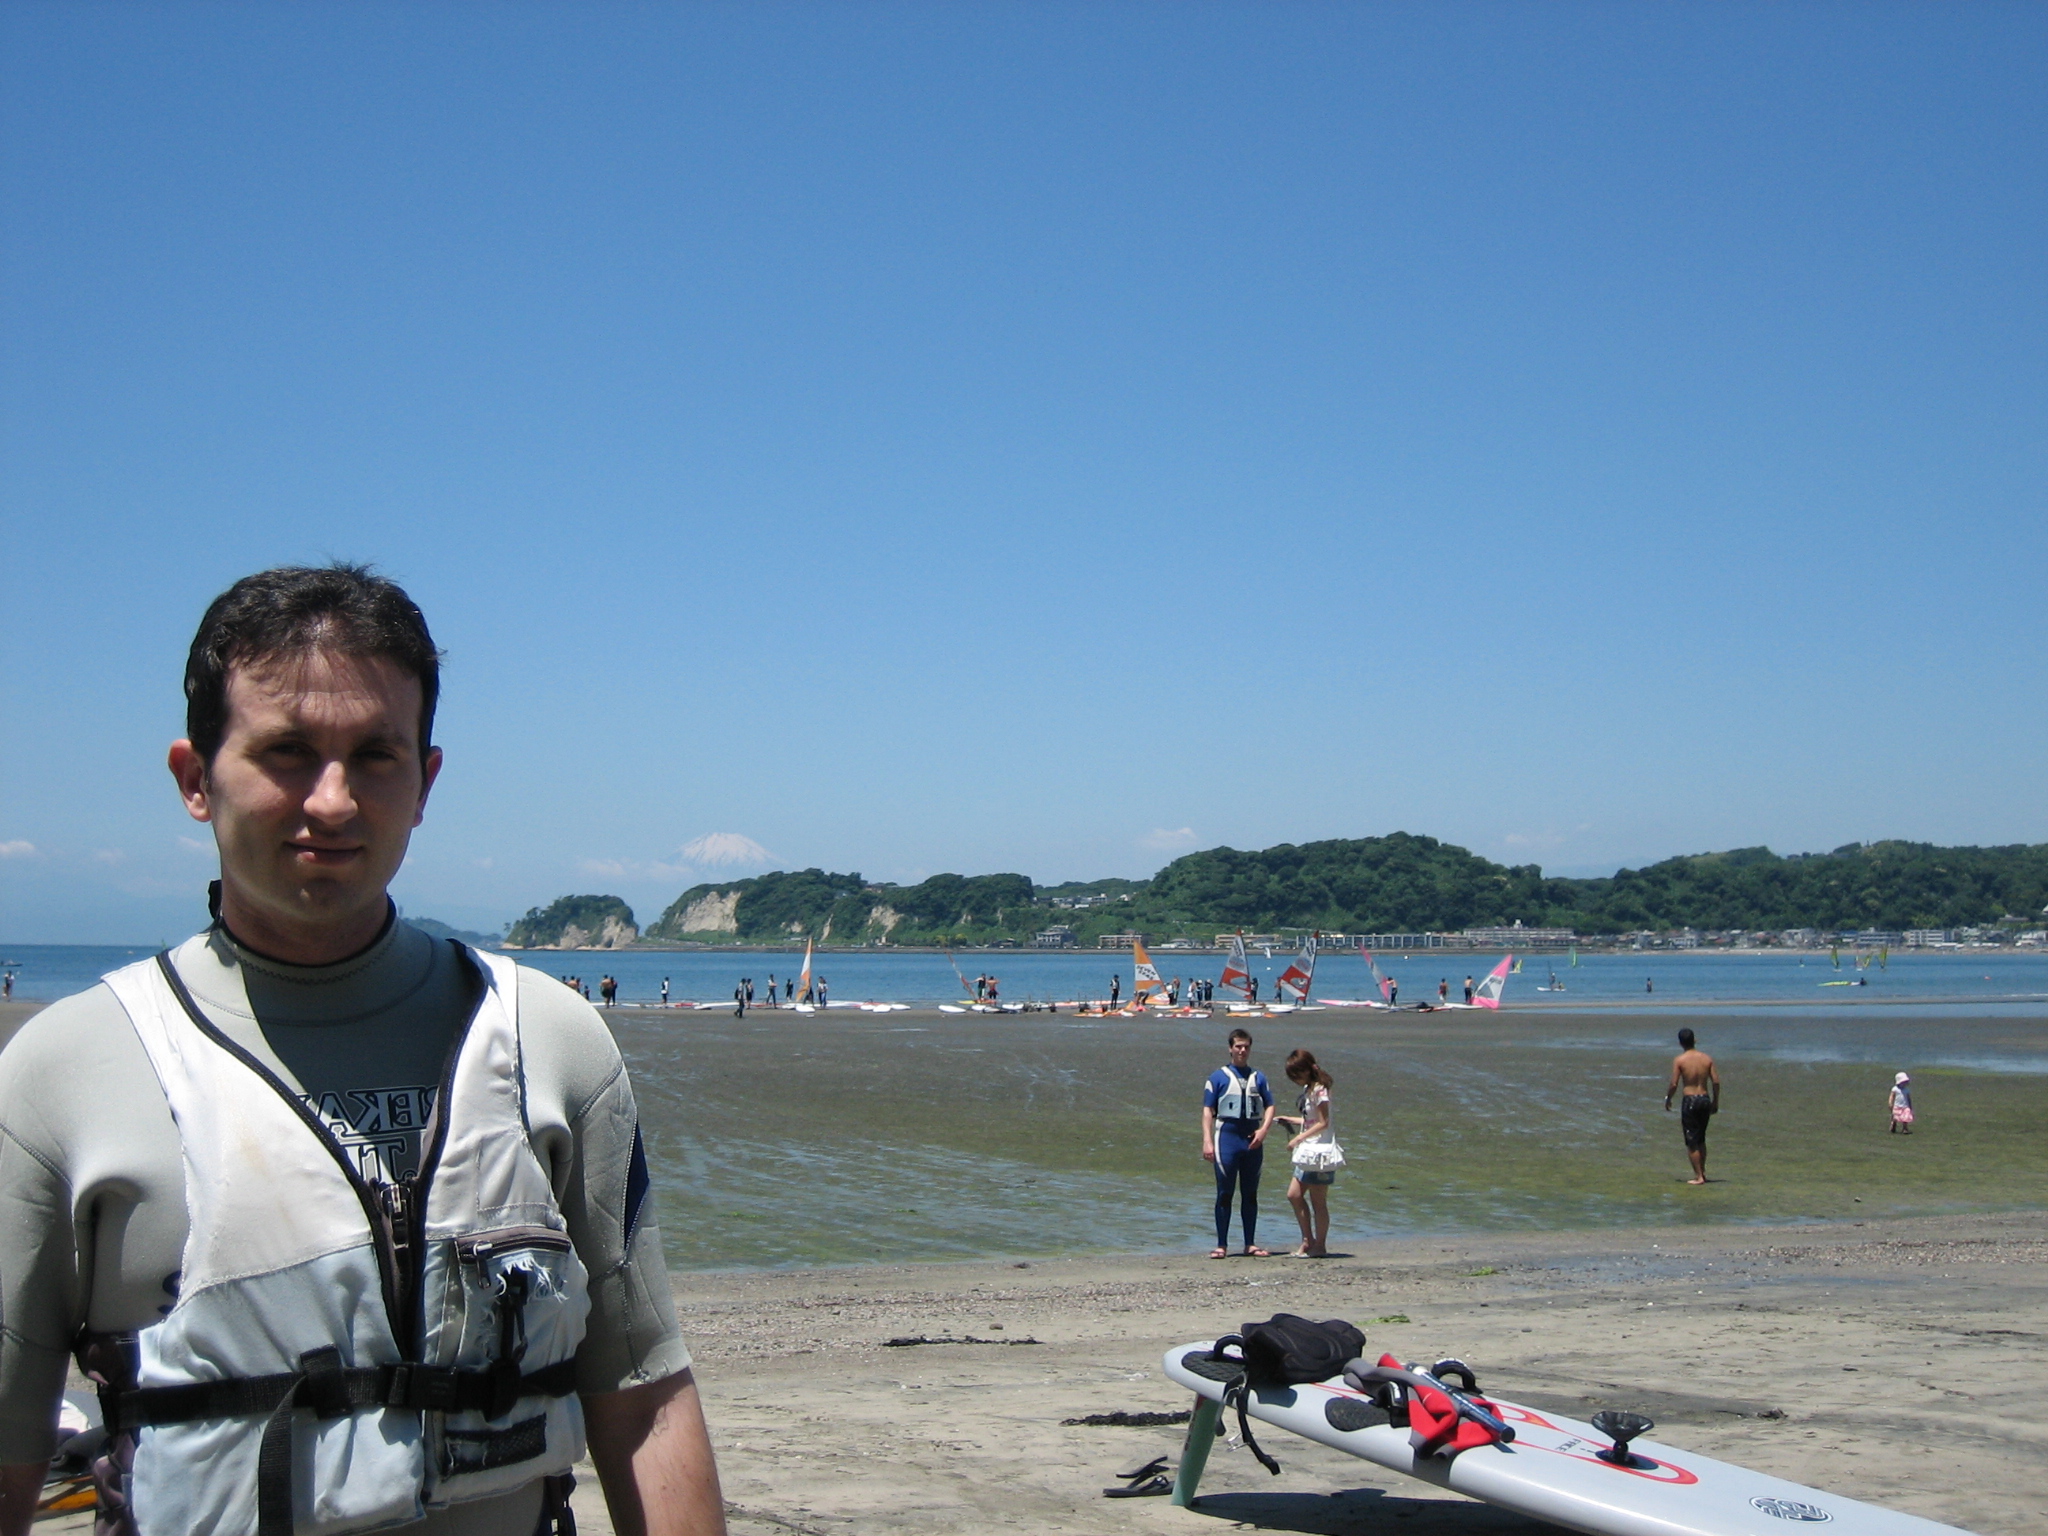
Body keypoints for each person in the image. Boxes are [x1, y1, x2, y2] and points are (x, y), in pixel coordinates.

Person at [0, 565, 725, 1536]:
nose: (333, 801)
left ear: (424, 782)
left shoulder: (550, 1045)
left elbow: (642, 1400)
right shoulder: (61, 1079)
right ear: (193, 779)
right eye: (288, 752)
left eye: (375, 755)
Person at [1200, 1028, 1277, 1258]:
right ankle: (1222, 1244)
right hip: (1226, 1139)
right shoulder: (1218, 1077)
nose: (1242, 1051)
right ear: (1230, 1048)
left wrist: (1263, 1130)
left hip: (1252, 1141)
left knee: (1250, 1193)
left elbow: (1270, 1105)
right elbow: (1207, 1110)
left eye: (1246, 1047)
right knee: (1224, 1193)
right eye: (1238, 1046)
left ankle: (1250, 1243)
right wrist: (1207, 1140)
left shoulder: (1259, 1077)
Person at [1277, 1048, 1337, 1258]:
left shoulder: (1320, 1090)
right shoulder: (1309, 1089)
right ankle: (1307, 1240)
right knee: (1293, 1195)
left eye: (1297, 1074)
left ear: (1308, 1070)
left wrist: (1298, 1138)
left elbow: (1323, 1122)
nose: (1296, 1079)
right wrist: (1289, 1120)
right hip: (1308, 1152)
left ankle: (1319, 1246)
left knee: (1318, 1201)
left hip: (1319, 1152)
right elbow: (1311, 1121)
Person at [1663, 1026, 1721, 1185]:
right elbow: (1715, 1081)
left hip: (1690, 1100)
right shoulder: (1706, 1058)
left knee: (1691, 1141)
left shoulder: (1680, 1060)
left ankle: (1699, 1176)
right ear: (1694, 1040)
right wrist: (1716, 1100)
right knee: (1701, 1138)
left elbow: (1674, 1083)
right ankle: (1703, 1172)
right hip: (1704, 1098)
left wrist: (1669, 1098)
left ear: (1680, 1043)